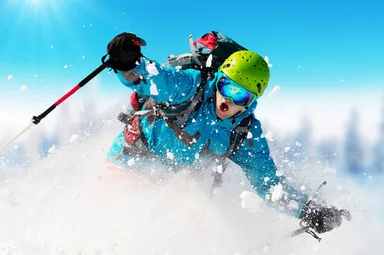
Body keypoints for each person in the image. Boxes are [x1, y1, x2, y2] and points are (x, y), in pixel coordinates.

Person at [102, 31, 348, 234]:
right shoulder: (191, 86)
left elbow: (269, 184)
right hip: (129, 162)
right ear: (218, 78)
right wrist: (129, 62)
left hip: (167, 181)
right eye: (226, 85)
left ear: (250, 102)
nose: (227, 99)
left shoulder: (245, 132)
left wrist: (307, 210)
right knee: (120, 225)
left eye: (240, 95)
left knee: (180, 229)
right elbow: (155, 79)